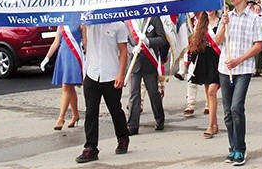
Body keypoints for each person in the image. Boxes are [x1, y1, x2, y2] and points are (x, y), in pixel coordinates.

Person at [215, 0, 262, 166]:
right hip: (224, 67)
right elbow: (218, 41)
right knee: (228, 111)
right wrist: (223, 25)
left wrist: (239, 60)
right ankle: (233, 148)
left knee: (237, 107)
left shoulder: (254, 19)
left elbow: (258, 45)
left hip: (242, 69)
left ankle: (241, 148)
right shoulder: (227, 17)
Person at [75, 21, 130, 164]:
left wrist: (121, 74)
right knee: (91, 112)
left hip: (111, 75)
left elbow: (123, 50)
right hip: (92, 74)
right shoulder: (90, 23)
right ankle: (91, 148)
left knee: (115, 109)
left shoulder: (119, 25)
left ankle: (123, 138)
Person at [126, 17, 169, 135]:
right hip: (135, 62)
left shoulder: (153, 18)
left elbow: (162, 39)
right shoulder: (128, 20)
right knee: (134, 94)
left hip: (149, 61)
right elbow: (125, 41)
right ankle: (132, 125)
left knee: (153, 92)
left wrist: (148, 42)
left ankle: (159, 119)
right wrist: (132, 49)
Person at [41, 25, 85, 130]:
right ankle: (75, 115)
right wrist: (46, 58)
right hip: (64, 54)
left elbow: (86, 42)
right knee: (68, 87)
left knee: (66, 86)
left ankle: (61, 118)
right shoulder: (62, 22)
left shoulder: (81, 21)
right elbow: (56, 42)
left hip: (75, 54)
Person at [188, 10, 221, 138]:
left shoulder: (221, 22)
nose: (209, 9)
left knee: (212, 91)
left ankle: (210, 126)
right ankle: (215, 124)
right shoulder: (201, 23)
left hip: (217, 58)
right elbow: (196, 43)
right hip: (204, 58)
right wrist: (191, 61)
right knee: (208, 92)